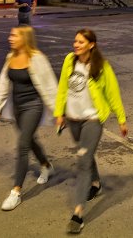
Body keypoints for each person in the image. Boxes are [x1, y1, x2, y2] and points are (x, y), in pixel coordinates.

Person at [54, 28, 128, 234]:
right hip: (73, 118)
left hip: (93, 119)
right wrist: (59, 112)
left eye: (80, 42)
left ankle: (78, 214)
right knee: (86, 152)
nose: (75, 44)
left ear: (91, 44)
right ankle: (96, 182)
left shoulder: (101, 66)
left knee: (83, 161)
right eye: (75, 41)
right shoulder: (70, 60)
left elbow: (113, 93)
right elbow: (62, 87)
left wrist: (122, 119)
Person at [0, 26, 59, 210]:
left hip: (33, 106)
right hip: (18, 108)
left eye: (14, 35)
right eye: (10, 34)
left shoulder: (37, 58)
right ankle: (46, 165)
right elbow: (3, 83)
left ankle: (16, 192)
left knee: (22, 145)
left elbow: (51, 85)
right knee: (29, 141)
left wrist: (58, 111)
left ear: (25, 38)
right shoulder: (10, 57)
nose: (10, 38)